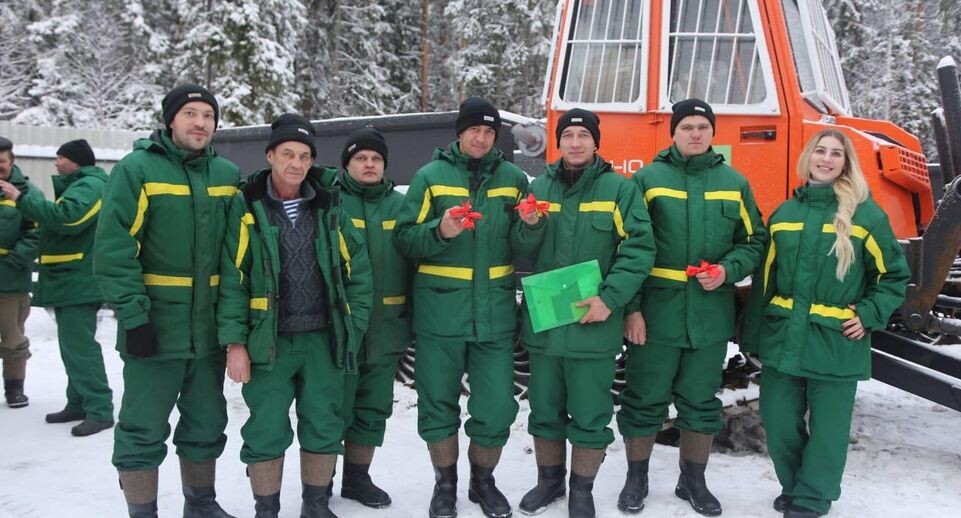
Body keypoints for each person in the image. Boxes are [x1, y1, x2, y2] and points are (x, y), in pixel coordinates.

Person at [741, 130, 909, 518]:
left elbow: (893, 277)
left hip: (836, 340)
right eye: (820, 151)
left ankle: (812, 498)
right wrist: (754, 337)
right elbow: (764, 283)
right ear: (808, 157)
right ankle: (796, 485)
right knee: (777, 417)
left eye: (836, 154)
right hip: (785, 338)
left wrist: (868, 314)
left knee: (829, 430)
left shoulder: (865, 214)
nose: (827, 159)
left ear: (846, 163)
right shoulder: (784, 215)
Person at [616, 98, 767, 516]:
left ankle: (693, 480)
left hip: (708, 314)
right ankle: (637, 476)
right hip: (656, 312)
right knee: (644, 398)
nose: (695, 133)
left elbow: (755, 240)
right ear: (674, 133)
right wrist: (632, 308)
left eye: (702, 126)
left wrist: (727, 270)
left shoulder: (734, 182)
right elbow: (626, 247)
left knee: (700, 401)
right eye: (687, 127)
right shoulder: (647, 180)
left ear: (712, 132)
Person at [94, 84, 240, 518]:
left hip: (208, 333)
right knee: (142, 428)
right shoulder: (136, 170)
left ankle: (201, 505)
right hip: (154, 331)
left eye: (208, 116)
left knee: (205, 424)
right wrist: (134, 317)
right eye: (191, 114)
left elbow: (238, 256)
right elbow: (114, 248)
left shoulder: (228, 176)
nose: (200, 123)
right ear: (170, 119)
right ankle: (143, 511)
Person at [217, 113, 372, 518]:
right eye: (288, 153)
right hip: (268, 343)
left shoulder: (329, 204)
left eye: (305, 155)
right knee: (266, 428)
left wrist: (351, 328)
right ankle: (266, 509)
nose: (296, 163)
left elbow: (359, 271)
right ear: (270, 155)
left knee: (323, 423)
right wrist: (236, 343)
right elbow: (233, 281)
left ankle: (315, 505)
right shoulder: (247, 207)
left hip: (322, 340)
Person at [513, 108, 656, 518]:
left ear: (596, 142)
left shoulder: (619, 190)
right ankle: (549, 481)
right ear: (559, 142)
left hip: (593, 323)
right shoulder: (539, 186)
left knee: (591, 415)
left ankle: (582, 489)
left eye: (583, 135)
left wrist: (610, 300)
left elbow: (639, 249)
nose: (575, 142)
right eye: (568, 135)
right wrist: (528, 224)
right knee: (544, 409)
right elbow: (523, 249)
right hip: (546, 325)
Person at [394, 96, 528, 518]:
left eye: (490, 132)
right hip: (440, 317)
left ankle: (482, 482)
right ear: (460, 131)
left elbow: (525, 247)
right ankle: (445, 483)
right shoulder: (429, 177)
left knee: (496, 407)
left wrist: (532, 227)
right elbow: (404, 238)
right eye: (475, 129)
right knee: (438, 404)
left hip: (495, 318)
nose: (482, 137)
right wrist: (442, 229)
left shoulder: (514, 178)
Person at [0, 139, 113, 436]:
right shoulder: (79, 185)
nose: (56, 164)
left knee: (81, 348)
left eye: (60, 158)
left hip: (79, 280)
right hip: (68, 280)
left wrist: (20, 199)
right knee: (71, 348)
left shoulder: (90, 186)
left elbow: (68, 219)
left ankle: (100, 409)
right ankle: (77, 402)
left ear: (75, 161)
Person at [335, 127, 412, 509]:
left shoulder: (401, 207)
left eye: (376, 159)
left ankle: (356, 478)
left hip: (386, 328)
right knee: (332, 408)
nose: (369, 164)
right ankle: (319, 482)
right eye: (361, 158)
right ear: (347, 164)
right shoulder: (329, 202)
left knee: (372, 408)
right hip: (339, 331)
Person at [0, 136, 39, 409]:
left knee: (12, 338)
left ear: (11, 162)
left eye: (1, 161)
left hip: (10, 280)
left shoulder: (26, 193)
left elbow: (38, 232)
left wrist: (14, 260)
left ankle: (15, 389)